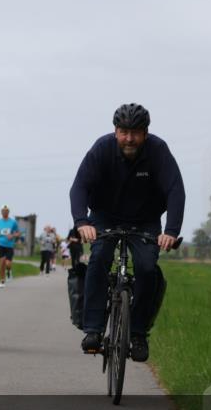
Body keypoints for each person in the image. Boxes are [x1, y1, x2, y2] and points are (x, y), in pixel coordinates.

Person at [69, 103, 185, 362]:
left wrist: (171, 230)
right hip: (104, 217)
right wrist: (82, 222)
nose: (129, 138)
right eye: (124, 132)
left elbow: (175, 190)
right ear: (115, 131)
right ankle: (93, 329)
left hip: (145, 221)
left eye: (135, 132)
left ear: (145, 133)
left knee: (146, 269)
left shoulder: (158, 151)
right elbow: (79, 186)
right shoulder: (102, 149)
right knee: (99, 259)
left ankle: (138, 333)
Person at [0, 205, 20, 288]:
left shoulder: (13, 222)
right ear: (1, 212)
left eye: (6, 211)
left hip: (9, 245)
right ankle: (2, 281)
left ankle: (9, 271)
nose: (4, 212)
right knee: (2, 263)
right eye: (3, 211)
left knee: (8, 263)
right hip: (0, 244)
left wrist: (12, 235)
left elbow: (18, 233)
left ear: (8, 212)